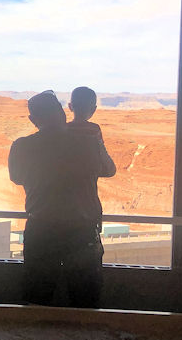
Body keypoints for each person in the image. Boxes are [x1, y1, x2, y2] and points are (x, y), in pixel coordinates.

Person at [8, 90, 116, 307]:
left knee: (37, 297)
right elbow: (109, 170)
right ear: (63, 113)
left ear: (33, 119)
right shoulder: (88, 143)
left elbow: (17, 178)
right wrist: (96, 141)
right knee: (85, 298)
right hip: (82, 230)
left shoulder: (21, 146)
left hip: (41, 228)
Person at [67, 86, 117, 182]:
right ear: (94, 109)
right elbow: (102, 155)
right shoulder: (94, 130)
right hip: (87, 185)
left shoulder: (64, 128)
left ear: (70, 106)